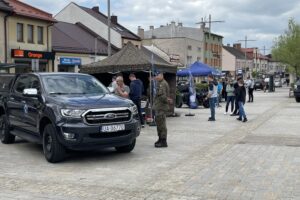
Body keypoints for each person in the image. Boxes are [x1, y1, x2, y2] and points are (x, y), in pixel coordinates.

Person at [153, 71, 170, 148]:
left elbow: (163, 96)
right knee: (159, 124)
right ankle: (160, 139)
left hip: (161, 107)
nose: (156, 77)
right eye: (156, 75)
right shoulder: (160, 83)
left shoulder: (163, 84)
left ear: (161, 75)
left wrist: (167, 100)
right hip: (159, 107)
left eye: (157, 75)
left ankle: (163, 141)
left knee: (162, 125)